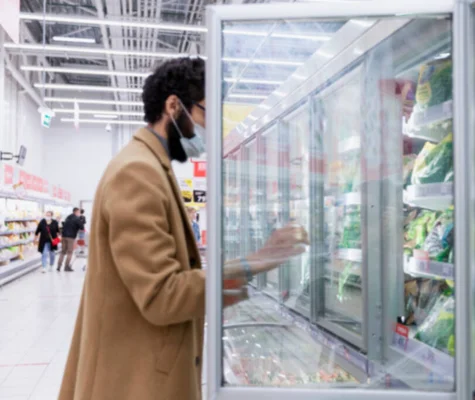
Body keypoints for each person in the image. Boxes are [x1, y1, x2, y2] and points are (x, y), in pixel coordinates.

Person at [59, 57, 308, 400]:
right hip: (135, 379)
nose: (208, 130)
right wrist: (254, 264)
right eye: (205, 113)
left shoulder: (149, 166)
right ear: (173, 106)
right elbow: (162, 295)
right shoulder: (137, 173)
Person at [57, 207, 83, 272]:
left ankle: (58, 266)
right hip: (70, 237)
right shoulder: (77, 219)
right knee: (70, 252)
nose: (80, 213)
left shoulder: (68, 217)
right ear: (76, 212)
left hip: (63, 236)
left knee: (63, 252)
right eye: (79, 212)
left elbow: (63, 224)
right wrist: (81, 220)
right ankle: (67, 267)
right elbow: (82, 227)